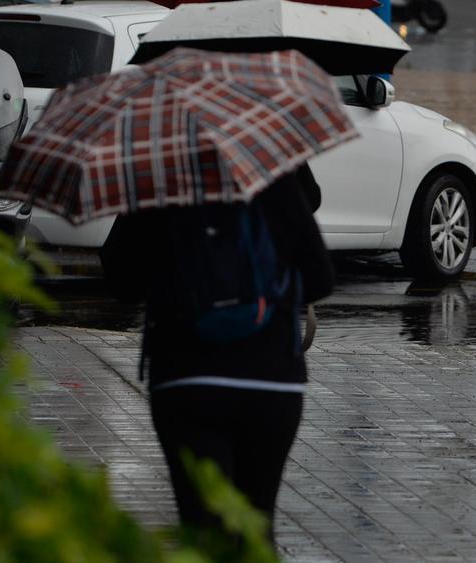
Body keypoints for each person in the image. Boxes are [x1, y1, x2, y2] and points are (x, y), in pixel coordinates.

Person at [100, 164, 332, 543]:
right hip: (273, 380)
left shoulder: (161, 169)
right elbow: (320, 279)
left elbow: (122, 281)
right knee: (257, 530)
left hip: (187, 380)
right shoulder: (274, 167)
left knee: (204, 532)